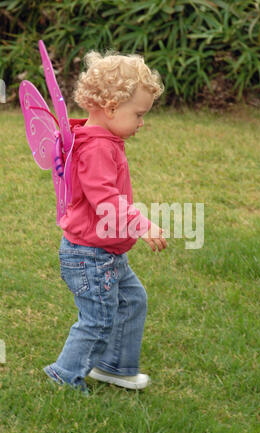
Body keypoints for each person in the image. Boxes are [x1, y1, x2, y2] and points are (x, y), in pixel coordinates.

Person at [44, 50, 167, 393]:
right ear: (112, 109)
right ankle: (64, 374)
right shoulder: (98, 147)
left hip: (104, 250)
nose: (141, 122)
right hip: (90, 256)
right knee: (98, 319)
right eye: (138, 114)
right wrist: (141, 224)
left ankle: (114, 366)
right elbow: (106, 200)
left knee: (132, 301)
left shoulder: (105, 139)